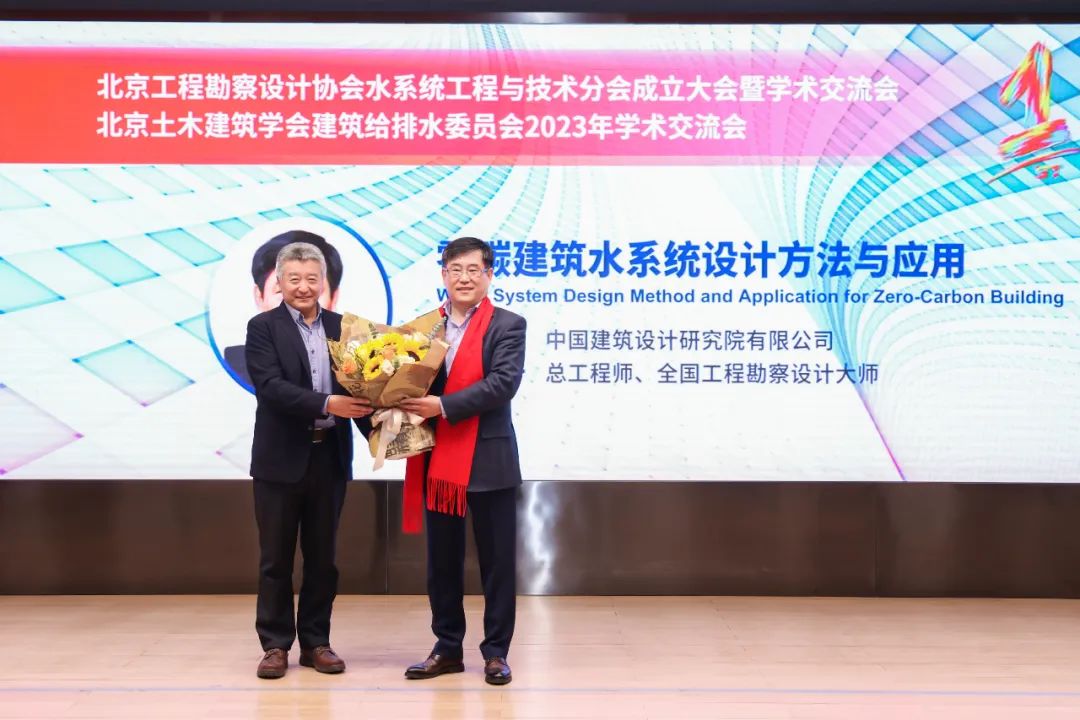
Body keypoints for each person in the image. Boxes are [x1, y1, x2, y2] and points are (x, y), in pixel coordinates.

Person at [398, 236, 527, 686]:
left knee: (497, 563)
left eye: (474, 270)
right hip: (438, 460)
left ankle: (496, 653)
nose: (465, 278)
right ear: (444, 275)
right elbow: (401, 381)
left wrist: (442, 406)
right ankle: (447, 647)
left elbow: (503, 383)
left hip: (490, 460)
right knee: (442, 562)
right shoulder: (422, 328)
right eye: (456, 270)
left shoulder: (508, 325)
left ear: (489, 275)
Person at [244, 241, 373, 680]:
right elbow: (270, 387)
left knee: (323, 559)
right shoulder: (263, 328)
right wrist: (327, 403)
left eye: (311, 278)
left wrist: (389, 429)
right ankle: (275, 645)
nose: (303, 286)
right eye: (294, 278)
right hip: (279, 461)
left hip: (329, 458)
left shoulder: (344, 328)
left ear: (325, 284)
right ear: (279, 282)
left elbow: (363, 390)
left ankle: (317, 642)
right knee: (275, 560)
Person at [225, 230, 344, 388]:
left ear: (333, 299)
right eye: (282, 291)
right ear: (259, 297)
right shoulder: (232, 367)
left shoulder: (356, 367)